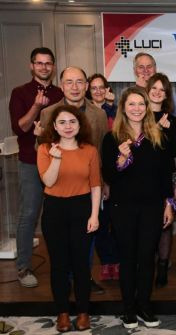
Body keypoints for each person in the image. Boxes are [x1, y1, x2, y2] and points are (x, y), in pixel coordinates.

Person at [101, 86, 174, 329]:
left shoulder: (158, 136)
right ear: (123, 108)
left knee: (146, 258)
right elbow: (108, 175)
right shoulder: (112, 138)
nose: (136, 109)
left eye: (141, 104)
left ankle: (144, 305)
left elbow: (166, 175)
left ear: (147, 108)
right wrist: (120, 160)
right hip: (123, 208)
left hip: (152, 207)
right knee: (128, 258)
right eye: (131, 104)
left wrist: (169, 204)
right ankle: (128, 309)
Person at [37, 104, 100, 332]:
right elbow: (49, 182)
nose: (67, 126)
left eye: (72, 121)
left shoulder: (90, 150)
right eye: (62, 122)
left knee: (81, 264)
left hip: (82, 208)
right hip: (54, 210)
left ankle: (83, 312)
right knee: (59, 265)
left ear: (79, 124)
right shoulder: (45, 149)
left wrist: (94, 215)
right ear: (54, 126)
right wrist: (56, 158)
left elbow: (95, 186)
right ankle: (62, 313)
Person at [9, 47, 63, 288]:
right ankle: (23, 267)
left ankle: (62, 265)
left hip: (57, 161)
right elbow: (20, 128)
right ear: (31, 66)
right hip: (31, 163)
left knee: (58, 216)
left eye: (48, 63)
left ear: (53, 66)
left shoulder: (60, 93)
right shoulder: (20, 93)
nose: (44, 67)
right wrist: (35, 107)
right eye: (39, 63)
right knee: (29, 214)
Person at [146, 72, 176, 288]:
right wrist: (157, 129)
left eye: (162, 89)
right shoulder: (137, 115)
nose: (158, 92)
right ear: (148, 90)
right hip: (143, 178)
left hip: (166, 177)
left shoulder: (173, 120)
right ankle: (147, 264)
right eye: (155, 88)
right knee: (147, 221)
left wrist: (169, 131)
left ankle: (162, 265)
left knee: (165, 223)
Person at [86, 73, 120, 282]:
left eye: (102, 87)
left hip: (115, 173)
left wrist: (109, 108)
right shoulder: (85, 114)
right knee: (100, 221)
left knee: (116, 222)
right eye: (94, 88)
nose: (98, 91)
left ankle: (117, 261)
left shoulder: (116, 112)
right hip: (93, 174)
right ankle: (106, 261)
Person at [40, 67, 108, 148]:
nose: (75, 87)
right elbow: (42, 150)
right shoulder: (48, 113)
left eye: (79, 82)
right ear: (62, 86)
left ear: (86, 86)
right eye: (69, 82)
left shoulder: (100, 114)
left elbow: (104, 151)